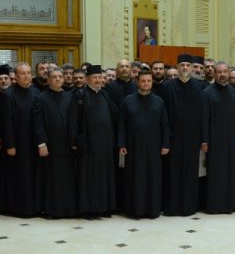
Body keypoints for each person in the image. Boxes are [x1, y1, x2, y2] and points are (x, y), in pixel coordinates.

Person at [156, 54, 207, 217]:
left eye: (187, 65)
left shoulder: (200, 87)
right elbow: (162, 116)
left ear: (192, 68)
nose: (185, 68)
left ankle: (190, 206)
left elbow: (204, 115)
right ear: (177, 67)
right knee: (173, 172)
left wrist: (203, 139)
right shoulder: (167, 87)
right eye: (182, 65)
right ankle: (172, 206)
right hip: (173, 138)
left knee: (191, 172)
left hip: (193, 138)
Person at [119, 70, 169, 219]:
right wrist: (121, 144)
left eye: (148, 81)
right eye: (143, 81)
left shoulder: (159, 101)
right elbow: (122, 124)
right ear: (137, 82)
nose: (146, 83)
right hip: (133, 146)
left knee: (153, 178)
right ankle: (135, 210)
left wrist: (165, 144)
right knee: (135, 178)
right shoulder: (128, 100)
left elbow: (165, 125)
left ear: (152, 82)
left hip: (154, 147)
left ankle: (152, 210)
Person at [71, 65, 117, 218]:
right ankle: (89, 209)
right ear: (88, 79)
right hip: (88, 145)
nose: (98, 80)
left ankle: (104, 207)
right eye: (95, 77)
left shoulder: (105, 95)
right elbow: (74, 121)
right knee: (89, 178)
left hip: (105, 144)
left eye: (100, 77)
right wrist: (75, 141)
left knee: (104, 176)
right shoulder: (80, 95)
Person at [200, 62, 235, 214]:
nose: (222, 75)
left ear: (228, 72)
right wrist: (204, 140)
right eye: (219, 72)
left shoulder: (233, 91)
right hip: (214, 140)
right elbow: (204, 118)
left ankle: (231, 204)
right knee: (216, 173)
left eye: (225, 71)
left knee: (231, 172)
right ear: (214, 73)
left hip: (231, 139)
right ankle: (216, 205)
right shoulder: (207, 93)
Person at [32, 68, 76, 218]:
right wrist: (41, 143)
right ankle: (52, 210)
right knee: (52, 180)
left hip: (67, 146)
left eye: (60, 77)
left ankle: (68, 209)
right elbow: (37, 123)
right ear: (49, 80)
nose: (57, 79)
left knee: (67, 179)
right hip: (50, 145)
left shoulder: (70, 97)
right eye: (54, 77)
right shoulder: (41, 98)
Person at [0, 63, 41, 217]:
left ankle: (33, 207)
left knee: (32, 176)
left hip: (32, 142)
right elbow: (6, 122)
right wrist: (10, 144)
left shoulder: (35, 93)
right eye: (23, 73)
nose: (27, 76)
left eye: (29, 73)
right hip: (16, 143)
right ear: (15, 76)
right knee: (19, 176)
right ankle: (18, 208)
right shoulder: (9, 94)